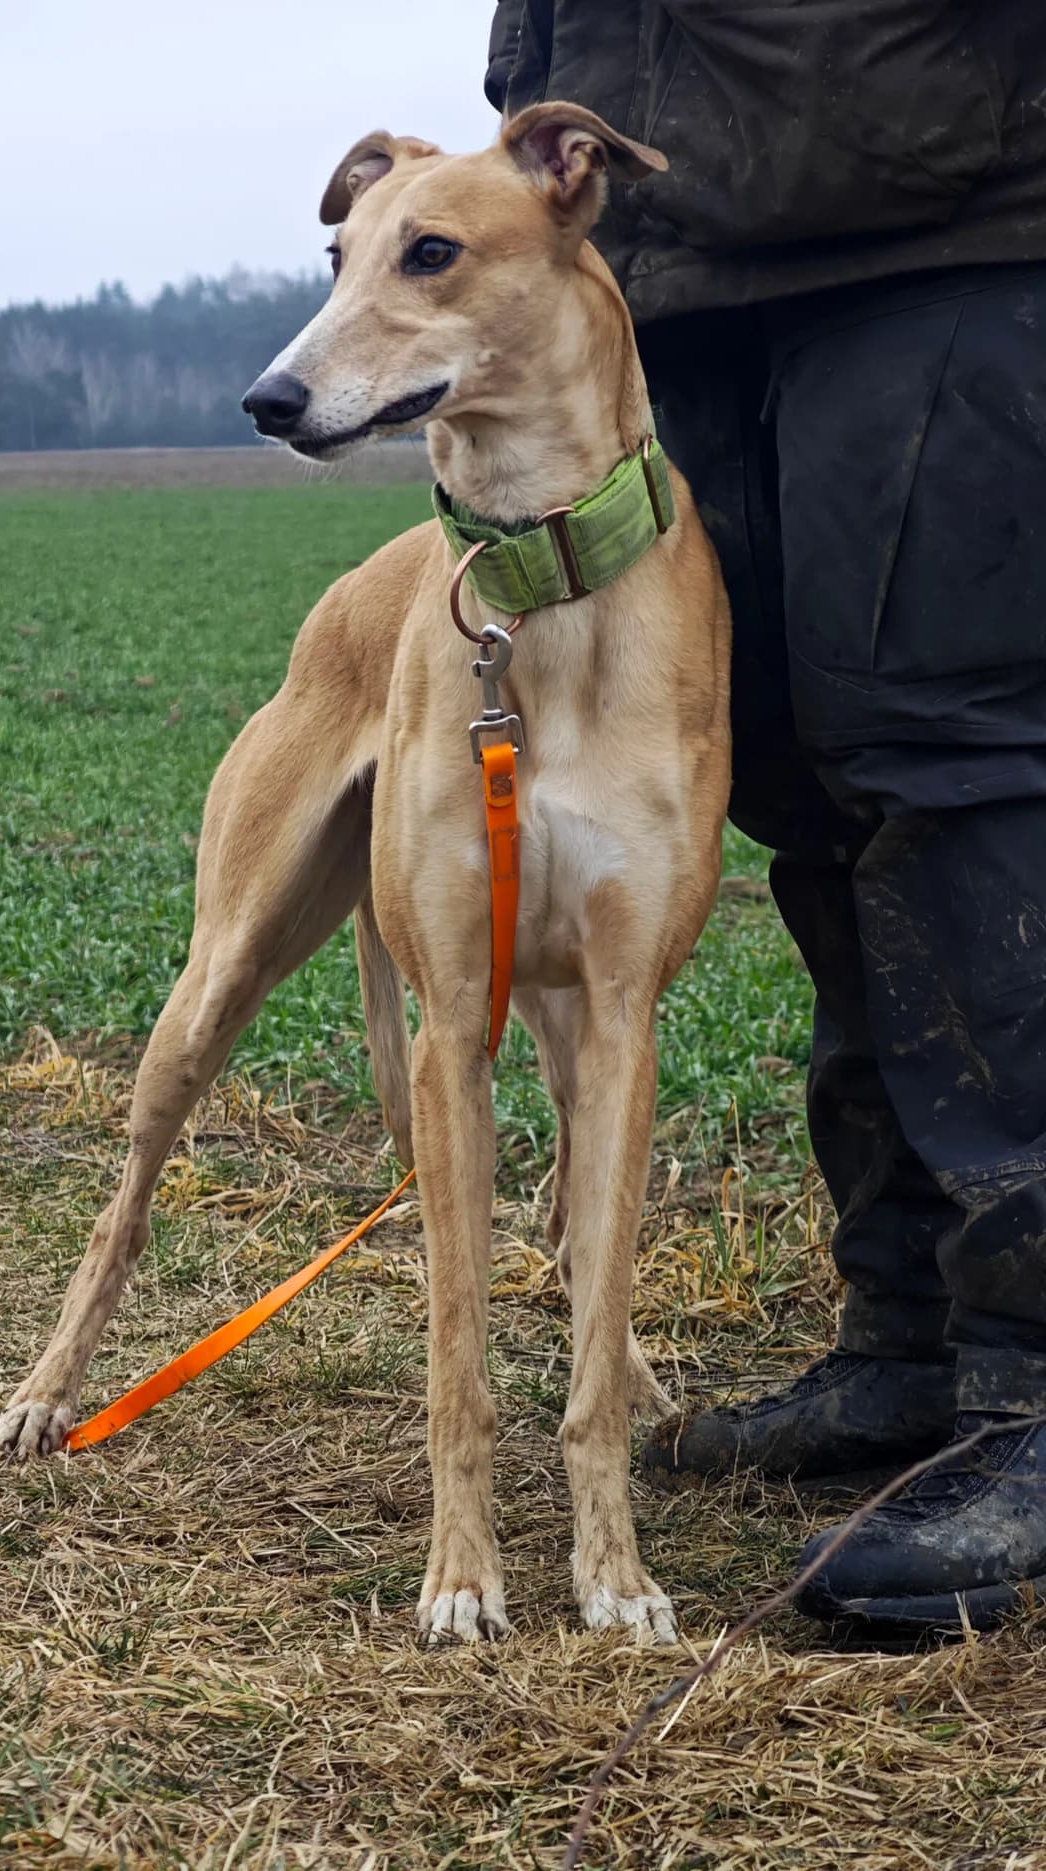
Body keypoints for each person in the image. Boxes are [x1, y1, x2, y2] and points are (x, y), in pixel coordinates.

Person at [486, 1, 1046, 1633]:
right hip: (681, 246)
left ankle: (1029, 1383)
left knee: (958, 768)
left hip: (938, 204)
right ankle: (905, 1343)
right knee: (801, 770)